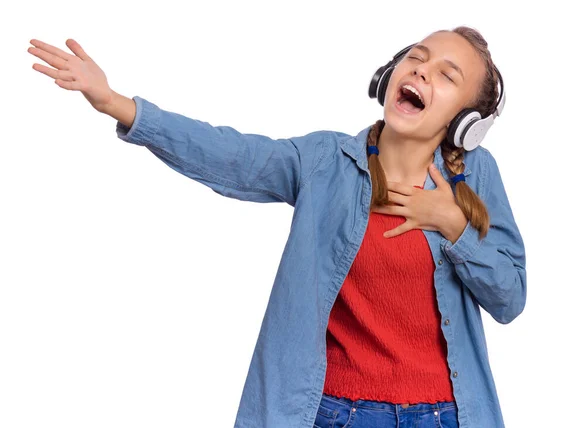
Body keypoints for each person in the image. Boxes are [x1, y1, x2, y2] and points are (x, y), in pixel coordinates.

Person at [28, 25, 526, 428]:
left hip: (445, 416)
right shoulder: (325, 161)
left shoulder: (477, 177)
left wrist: (454, 224)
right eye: (416, 56)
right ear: (388, 74)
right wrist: (118, 104)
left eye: (446, 73)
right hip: (334, 413)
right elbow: (234, 155)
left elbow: (510, 298)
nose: (421, 70)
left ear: (467, 120)